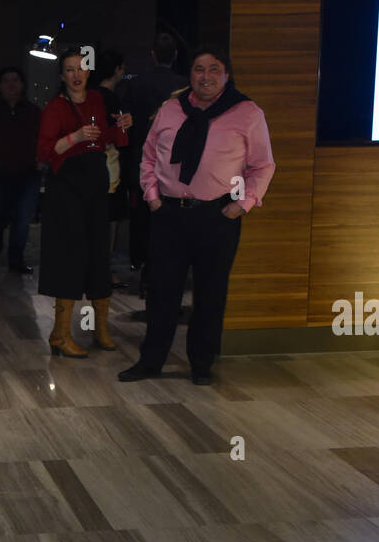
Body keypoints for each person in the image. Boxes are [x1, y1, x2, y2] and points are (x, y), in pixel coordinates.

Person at [118, 45, 275, 385]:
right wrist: (153, 197)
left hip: (217, 216)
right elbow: (147, 156)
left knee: (210, 293)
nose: (206, 76)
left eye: (214, 69)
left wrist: (242, 205)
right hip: (169, 215)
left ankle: (202, 364)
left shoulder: (246, 112)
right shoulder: (171, 109)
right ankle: (151, 361)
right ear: (189, 75)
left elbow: (263, 165)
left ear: (226, 75)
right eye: (199, 69)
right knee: (162, 292)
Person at [37, 47, 129, 356]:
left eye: (81, 68)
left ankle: (101, 329)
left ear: (89, 72)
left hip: (95, 188)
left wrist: (122, 126)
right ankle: (60, 334)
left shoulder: (98, 100)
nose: (77, 75)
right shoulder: (54, 107)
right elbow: (44, 151)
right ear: (62, 75)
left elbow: (107, 136)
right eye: (70, 69)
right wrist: (76, 137)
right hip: (67, 192)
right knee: (70, 256)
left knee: (98, 256)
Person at [126, 33, 188, 286]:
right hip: (176, 163)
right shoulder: (184, 85)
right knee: (172, 222)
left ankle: (143, 267)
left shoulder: (137, 84)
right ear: (175, 55)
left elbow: (127, 123)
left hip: (142, 157)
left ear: (153, 55)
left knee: (143, 218)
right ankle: (169, 273)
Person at [0, 66, 41, 274]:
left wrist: (40, 160)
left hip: (27, 174)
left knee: (22, 220)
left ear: (22, 84)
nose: (11, 85)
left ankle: (16, 261)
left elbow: (42, 139)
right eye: (6, 81)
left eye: (15, 80)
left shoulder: (33, 112)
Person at [90, 49, 133, 264]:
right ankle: (104, 267)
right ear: (116, 70)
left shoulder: (91, 95)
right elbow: (117, 136)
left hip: (94, 164)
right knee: (109, 217)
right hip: (109, 164)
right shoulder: (111, 98)